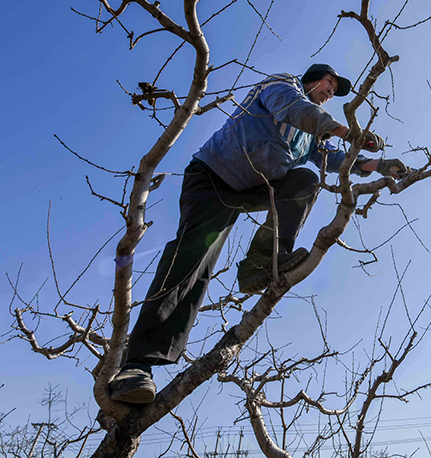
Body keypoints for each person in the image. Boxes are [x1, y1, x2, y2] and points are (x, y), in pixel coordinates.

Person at [109, 63, 407, 404]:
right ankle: (136, 366)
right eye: (329, 84)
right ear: (312, 78)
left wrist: (381, 165)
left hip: (253, 188)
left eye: (335, 91)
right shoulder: (282, 85)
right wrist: (347, 131)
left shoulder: (312, 133)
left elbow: (336, 159)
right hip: (213, 179)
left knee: (306, 181)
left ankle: (262, 262)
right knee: (193, 262)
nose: (330, 92)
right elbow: (295, 110)